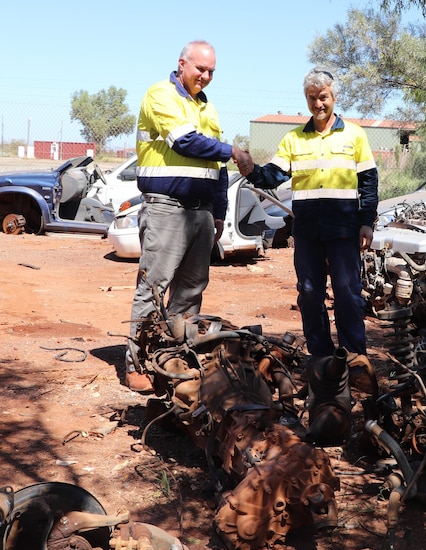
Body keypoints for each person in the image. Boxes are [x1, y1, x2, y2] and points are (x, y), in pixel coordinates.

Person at [125, 40, 253, 393]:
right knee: (153, 288)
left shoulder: (206, 108)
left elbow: (217, 167)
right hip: (166, 206)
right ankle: (136, 364)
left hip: (200, 213)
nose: (206, 76)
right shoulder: (161, 95)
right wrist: (232, 150)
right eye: (201, 69)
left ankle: (171, 359)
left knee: (190, 292)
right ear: (182, 64)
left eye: (211, 71)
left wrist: (218, 213)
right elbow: (186, 142)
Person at [240, 67, 378, 362]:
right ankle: (322, 358)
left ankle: (354, 359)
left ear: (334, 96)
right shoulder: (293, 139)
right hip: (307, 231)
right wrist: (251, 170)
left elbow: (368, 181)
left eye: (324, 97)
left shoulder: (354, 135)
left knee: (348, 294)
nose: (318, 104)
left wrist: (367, 222)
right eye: (312, 98)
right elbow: (273, 175)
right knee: (310, 294)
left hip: (344, 229)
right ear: (306, 99)